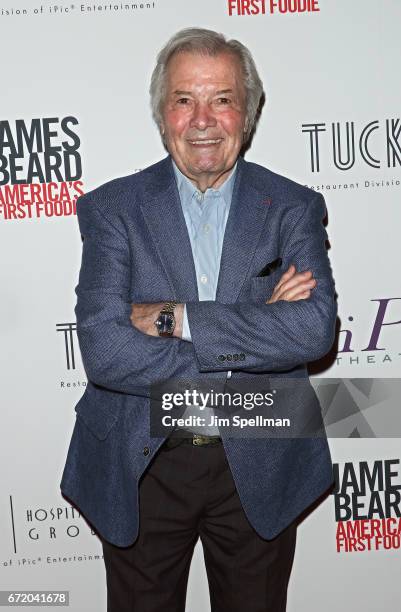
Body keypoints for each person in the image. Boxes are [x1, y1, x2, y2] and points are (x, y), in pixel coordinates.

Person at [60, 27, 337, 612]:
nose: (204, 119)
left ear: (249, 111)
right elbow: (107, 352)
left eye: (223, 99)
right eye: (185, 99)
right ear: (163, 114)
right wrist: (257, 326)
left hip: (261, 452)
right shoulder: (112, 209)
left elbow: (312, 329)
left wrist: (175, 317)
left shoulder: (293, 207)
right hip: (144, 457)